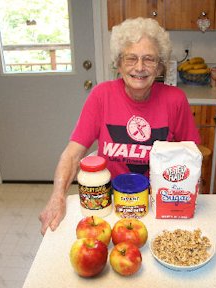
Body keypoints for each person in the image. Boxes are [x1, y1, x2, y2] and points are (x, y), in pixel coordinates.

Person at [39, 17, 200, 235]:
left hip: (159, 203)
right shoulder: (101, 96)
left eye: (149, 59)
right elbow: (72, 154)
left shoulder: (175, 100)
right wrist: (57, 197)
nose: (140, 68)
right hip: (110, 204)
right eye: (131, 58)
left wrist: (186, 198)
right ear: (118, 63)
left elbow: (192, 159)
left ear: (160, 65)